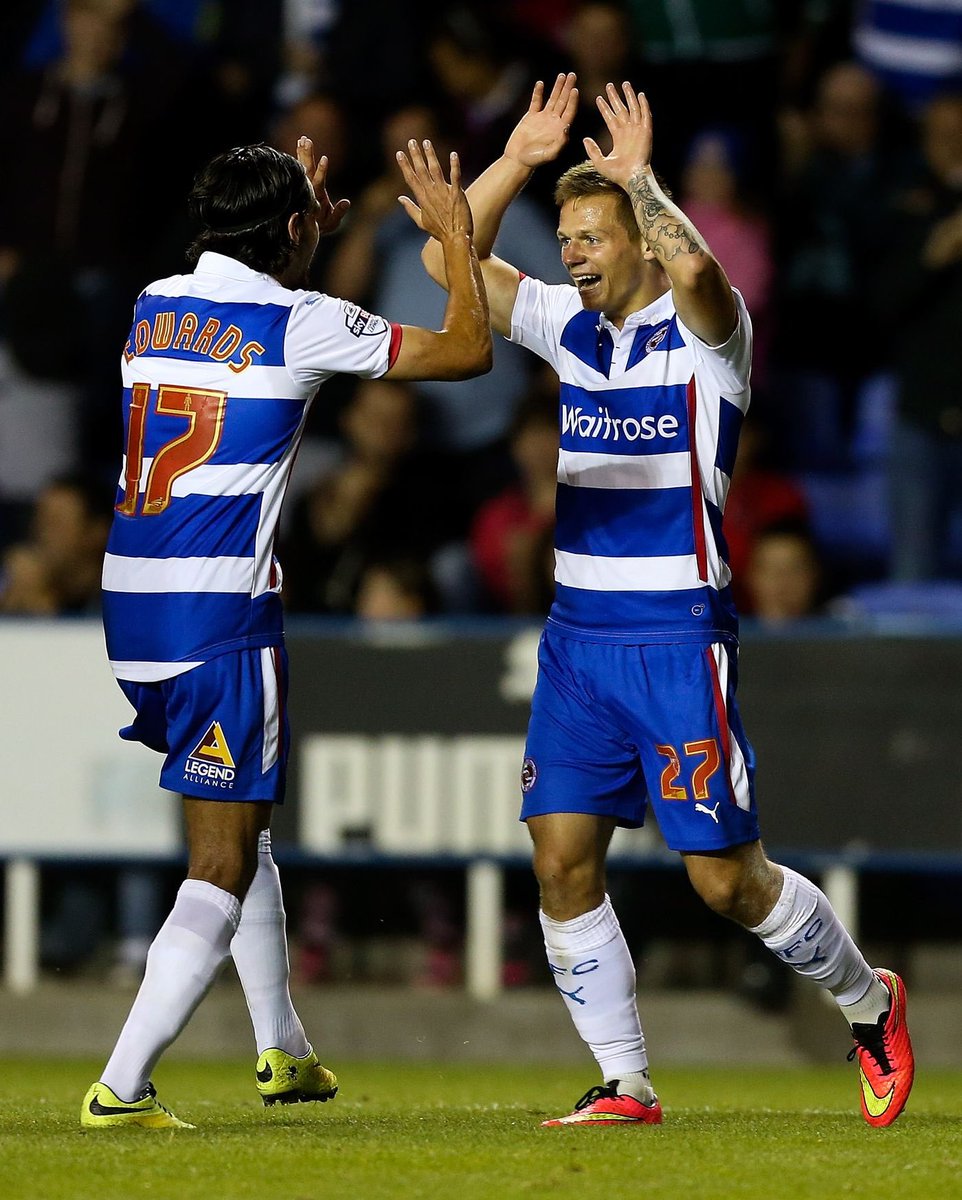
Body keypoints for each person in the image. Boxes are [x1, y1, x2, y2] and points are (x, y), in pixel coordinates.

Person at [420, 72, 914, 1128]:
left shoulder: (707, 344)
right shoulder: (566, 329)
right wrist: (516, 157)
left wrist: (641, 181)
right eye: (570, 241)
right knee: (557, 859)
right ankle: (623, 1081)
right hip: (576, 642)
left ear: (635, 240)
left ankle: (867, 1004)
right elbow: (442, 262)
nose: (576, 256)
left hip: (675, 636)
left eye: (594, 238)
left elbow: (695, 267)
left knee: (725, 882)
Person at [81, 134, 491, 1131]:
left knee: (244, 828)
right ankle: (121, 1088)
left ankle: (283, 1053)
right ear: (294, 230)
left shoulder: (150, 304)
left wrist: (305, 232)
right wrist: (454, 239)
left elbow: (245, 315)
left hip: (133, 608)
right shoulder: (295, 318)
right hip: (220, 614)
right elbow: (467, 350)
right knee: (217, 864)